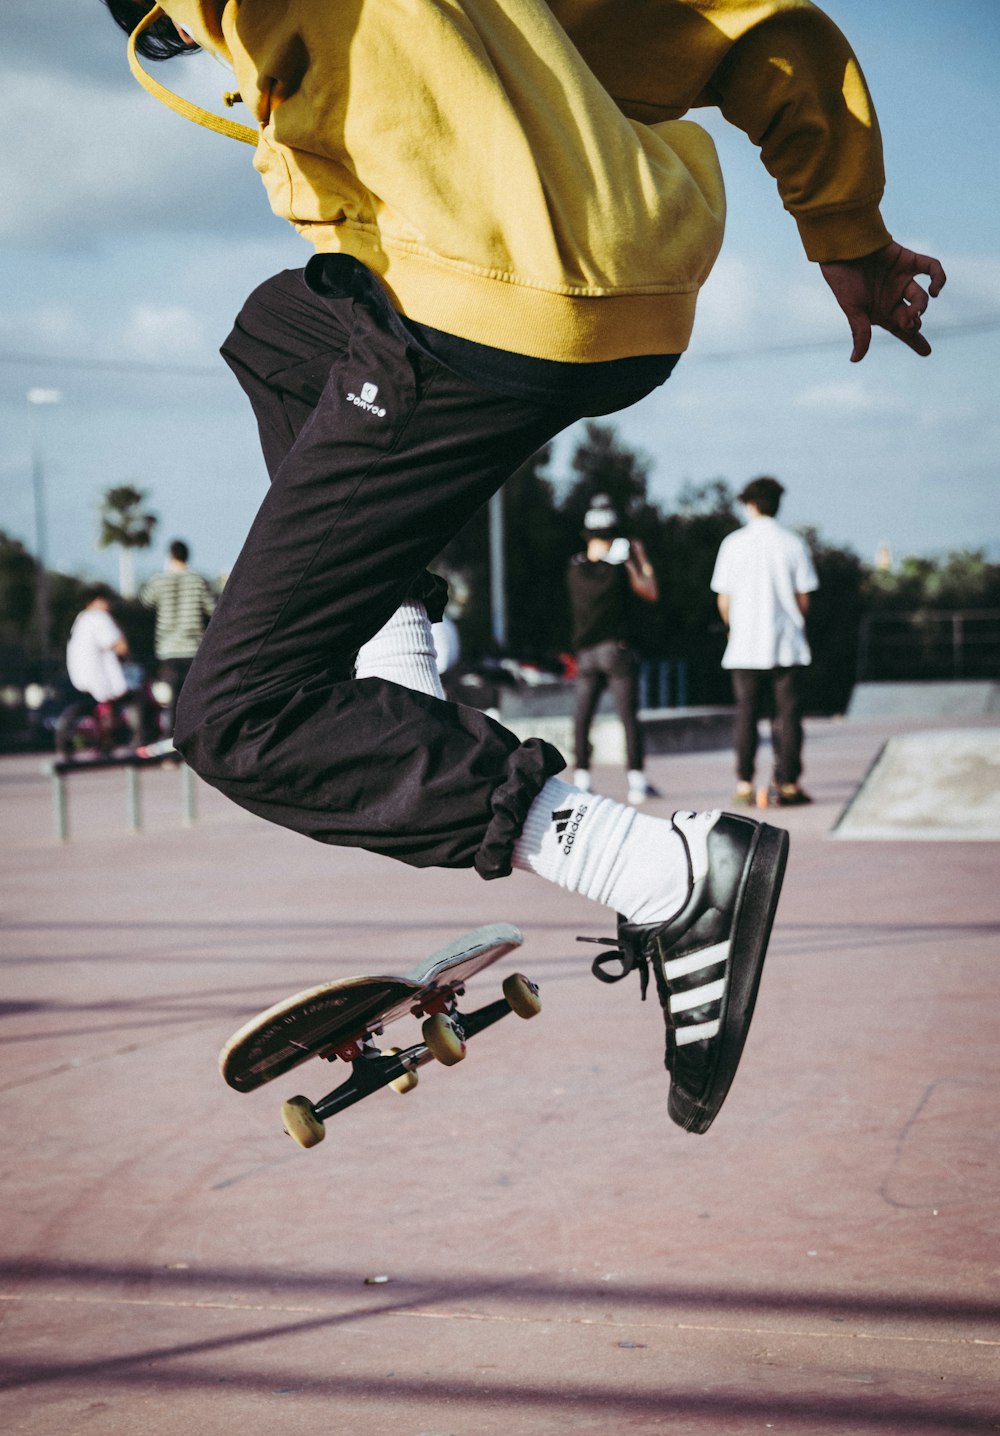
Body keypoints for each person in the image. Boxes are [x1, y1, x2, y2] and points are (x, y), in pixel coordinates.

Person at [101, 0, 945, 1135]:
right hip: (620, 277)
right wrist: (843, 228)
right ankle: (397, 663)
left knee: (236, 716)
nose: (218, 60)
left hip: (486, 310)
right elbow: (758, 31)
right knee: (282, 327)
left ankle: (657, 870)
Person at [711, 478, 819, 807]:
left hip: (744, 645)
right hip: (786, 644)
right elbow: (804, 598)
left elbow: (723, 599)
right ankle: (787, 784)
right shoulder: (793, 543)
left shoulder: (733, 544)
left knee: (746, 715)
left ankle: (744, 783)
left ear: (750, 504)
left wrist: (731, 626)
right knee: (787, 716)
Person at [567, 499, 660, 805]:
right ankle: (636, 781)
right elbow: (650, 591)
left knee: (582, 716)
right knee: (628, 717)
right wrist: (638, 559)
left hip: (585, 654)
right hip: (617, 650)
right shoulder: (620, 569)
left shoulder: (574, 569)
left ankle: (581, 776)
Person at [139, 539, 217, 736]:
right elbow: (212, 608)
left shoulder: (159, 581)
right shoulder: (198, 580)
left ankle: (170, 743)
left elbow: (145, 602)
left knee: (173, 700)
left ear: (170, 556)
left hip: (168, 649)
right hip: (192, 648)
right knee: (194, 699)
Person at [55, 586, 137, 757]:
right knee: (125, 700)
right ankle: (124, 740)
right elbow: (119, 646)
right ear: (96, 601)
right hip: (100, 674)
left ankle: (101, 741)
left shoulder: (82, 618)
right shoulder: (99, 617)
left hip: (81, 672)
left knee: (99, 705)